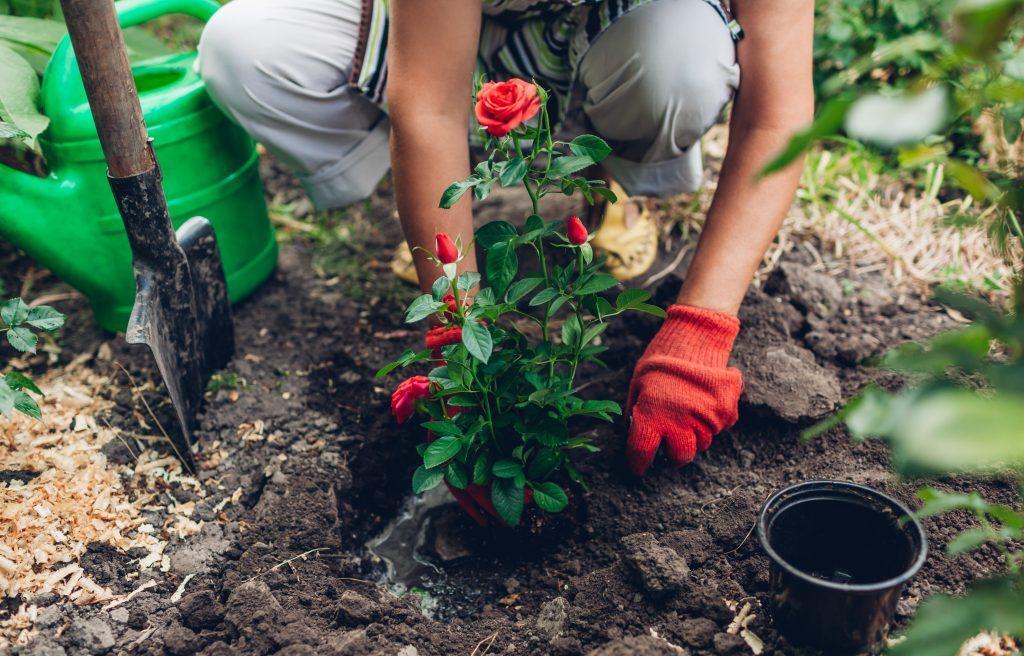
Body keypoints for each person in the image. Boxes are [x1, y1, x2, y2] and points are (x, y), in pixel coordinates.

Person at [198, 0, 814, 476]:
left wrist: (701, 328)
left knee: (679, 63)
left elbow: (778, 116)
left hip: (625, 32)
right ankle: (445, 208)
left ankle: (604, 190)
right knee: (245, 49)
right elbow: (431, 106)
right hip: (445, 24)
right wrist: (456, 340)